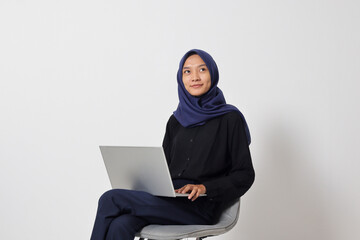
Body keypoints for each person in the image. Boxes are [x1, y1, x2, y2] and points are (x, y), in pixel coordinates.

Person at [90, 49, 255, 240]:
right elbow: (164, 167)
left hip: (199, 206)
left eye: (202, 70)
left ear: (213, 73)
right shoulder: (176, 121)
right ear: (180, 78)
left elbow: (245, 174)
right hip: (169, 200)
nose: (194, 77)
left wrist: (205, 187)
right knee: (120, 224)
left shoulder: (229, 119)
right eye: (187, 72)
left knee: (110, 199)